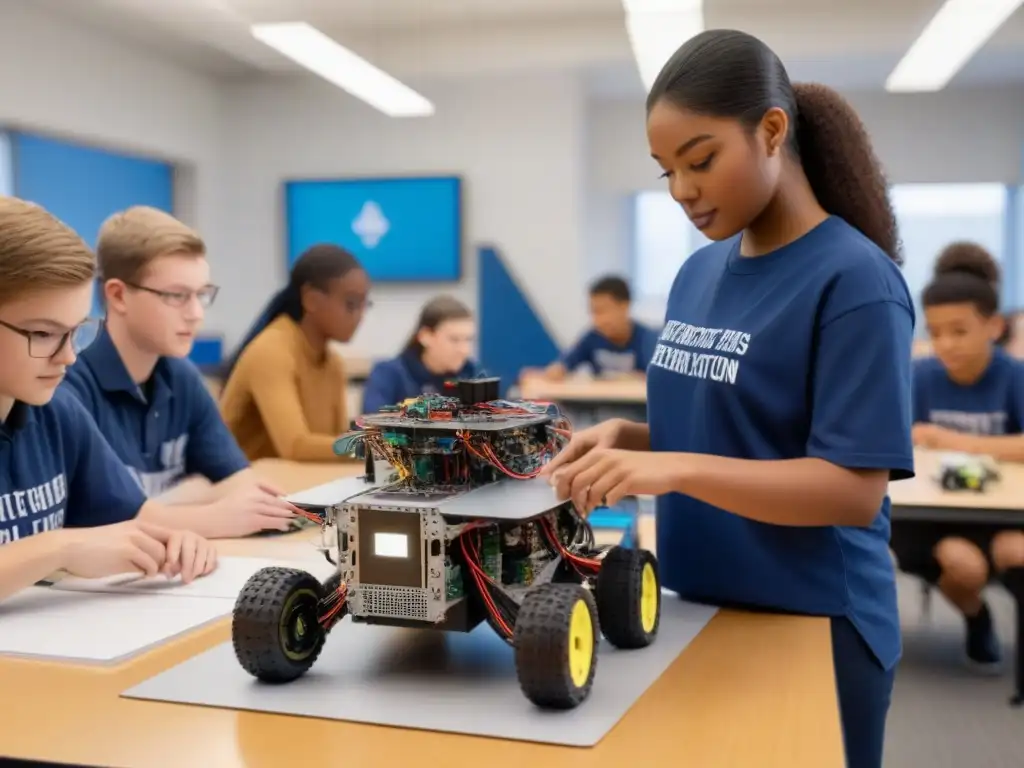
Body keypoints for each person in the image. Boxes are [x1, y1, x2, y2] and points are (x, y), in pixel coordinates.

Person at [540, 30, 913, 768]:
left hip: (815, 620)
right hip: (691, 605)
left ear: (772, 131)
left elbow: (850, 490)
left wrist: (672, 470)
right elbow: (731, 427)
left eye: (702, 159)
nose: (683, 190)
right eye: (666, 172)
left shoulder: (856, 283)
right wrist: (632, 437)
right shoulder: (698, 275)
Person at [0, 196, 217, 602]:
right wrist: (61, 547)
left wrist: (182, 540)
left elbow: (141, 520)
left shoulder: (57, 412)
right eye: (43, 334)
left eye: (76, 330)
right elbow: (69, 547)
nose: (67, 356)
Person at [60, 206, 297, 538]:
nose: (197, 313)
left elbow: (239, 485)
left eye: (201, 295)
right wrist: (204, 502)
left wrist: (173, 504)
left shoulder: (181, 375)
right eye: (176, 296)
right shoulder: (67, 383)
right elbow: (97, 525)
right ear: (118, 295)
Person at [894, 241, 1024, 672]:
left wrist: (948, 438)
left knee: (1016, 549)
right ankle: (977, 618)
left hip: (1002, 511)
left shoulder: (1014, 377)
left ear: (993, 327)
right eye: (935, 332)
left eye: (960, 330)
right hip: (936, 515)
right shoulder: (921, 376)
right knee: (962, 565)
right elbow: (904, 443)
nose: (946, 344)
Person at [220, 244, 370, 461]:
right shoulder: (271, 352)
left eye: (366, 306)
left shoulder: (334, 363)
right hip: (239, 485)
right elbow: (295, 446)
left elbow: (335, 445)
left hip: (293, 484)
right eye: (351, 304)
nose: (360, 316)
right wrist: (377, 445)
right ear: (311, 300)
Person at [362, 296, 479, 413]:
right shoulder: (388, 375)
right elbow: (371, 424)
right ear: (426, 336)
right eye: (454, 339)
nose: (464, 350)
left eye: (468, 339)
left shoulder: (471, 374)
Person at [537, 276, 659, 381]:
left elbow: (657, 377)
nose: (598, 320)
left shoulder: (648, 340)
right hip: (600, 405)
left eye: (603, 311)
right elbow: (565, 363)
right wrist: (556, 370)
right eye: (593, 312)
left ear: (624, 306)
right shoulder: (592, 337)